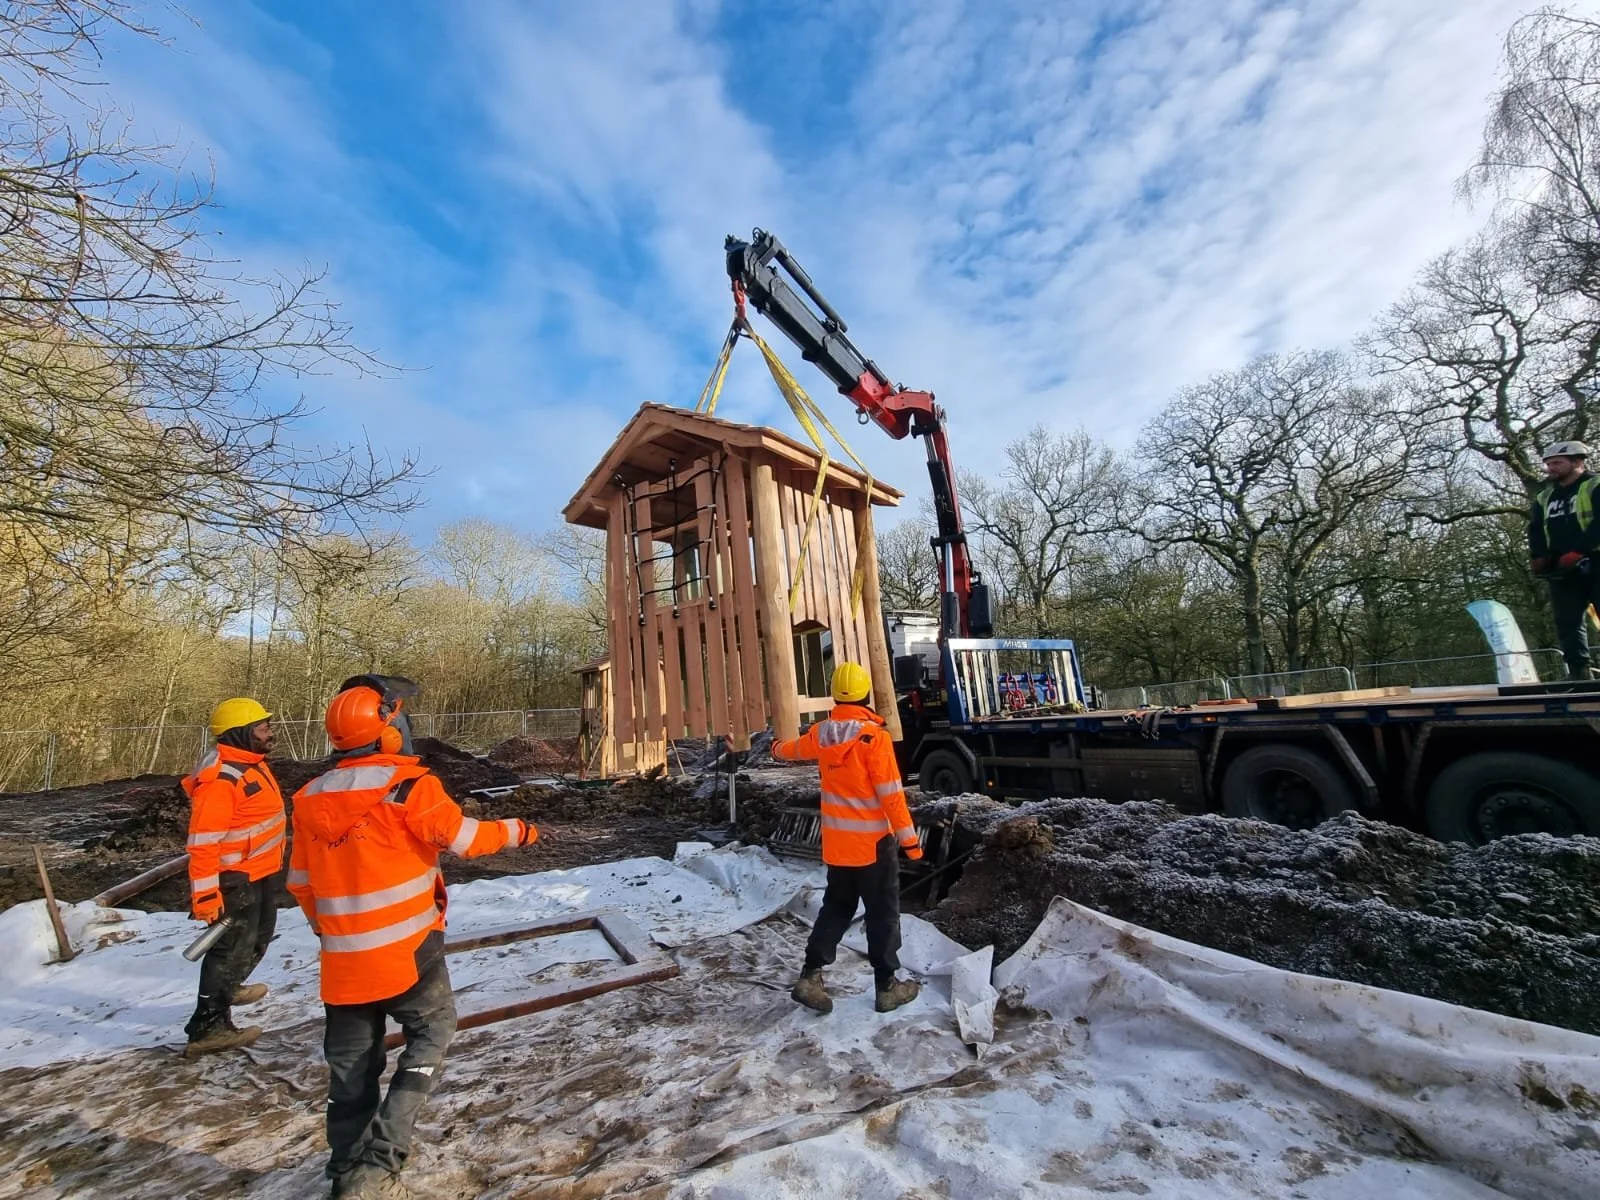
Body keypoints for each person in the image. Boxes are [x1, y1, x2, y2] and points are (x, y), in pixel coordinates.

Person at [287, 675, 537, 1200]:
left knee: (353, 1066)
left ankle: (343, 1170)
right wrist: (519, 829)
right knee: (432, 1030)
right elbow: (466, 839)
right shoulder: (409, 788)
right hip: (409, 951)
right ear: (387, 730)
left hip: (343, 959)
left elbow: (302, 885)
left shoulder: (309, 799)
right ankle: (380, 1162)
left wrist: (338, 928)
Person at [775, 661, 923, 1015]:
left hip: (838, 845)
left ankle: (810, 975)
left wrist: (774, 749)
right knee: (882, 913)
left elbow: (793, 749)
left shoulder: (823, 734)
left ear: (835, 695)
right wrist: (911, 843)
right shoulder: (874, 739)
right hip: (873, 844)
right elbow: (891, 796)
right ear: (866, 694)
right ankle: (887, 987)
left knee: (837, 908)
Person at [182, 696, 285, 1057]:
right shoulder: (222, 780)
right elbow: (203, 844)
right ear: (241, 733)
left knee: (259, 936)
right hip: (234, 878)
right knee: (228, 950)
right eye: (262, 728)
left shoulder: (250, 764)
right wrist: (207, 896)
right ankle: (208, 1027)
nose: (269, 733)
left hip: (259, 871)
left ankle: (232, 983)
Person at [1529, 440, 1600, 679]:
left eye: (1557, 463)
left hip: (1595, 559)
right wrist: (1538, 556)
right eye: (1548, 464)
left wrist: (1580, 550)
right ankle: (1579, 671)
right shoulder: (1545, 497)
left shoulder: (1594, 485)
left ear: (1577, 461)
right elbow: (1536, 529)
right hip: (1562, 566)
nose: (1551, 468)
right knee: (1567, 621)